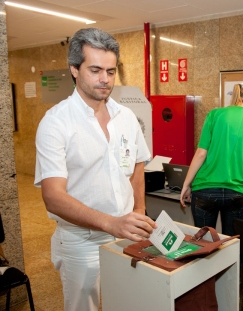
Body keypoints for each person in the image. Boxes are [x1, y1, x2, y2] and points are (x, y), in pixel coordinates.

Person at [34, 28, 156, 311]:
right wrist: (111, 223)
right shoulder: (56, 123)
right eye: (96, 70)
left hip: (125, 233)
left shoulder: (125, 117)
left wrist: (138, 210)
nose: (105, 79)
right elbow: (53, 196)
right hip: (81, 241)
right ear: (74, 69)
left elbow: (137, 164)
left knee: (127, 303)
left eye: (111, 71)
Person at [180, 84, 243, 236]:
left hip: (205, 189)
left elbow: (201, 153)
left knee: (203, 242)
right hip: (237, 192)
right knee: (231, 244)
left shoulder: (214, 115)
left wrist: (186, 184)